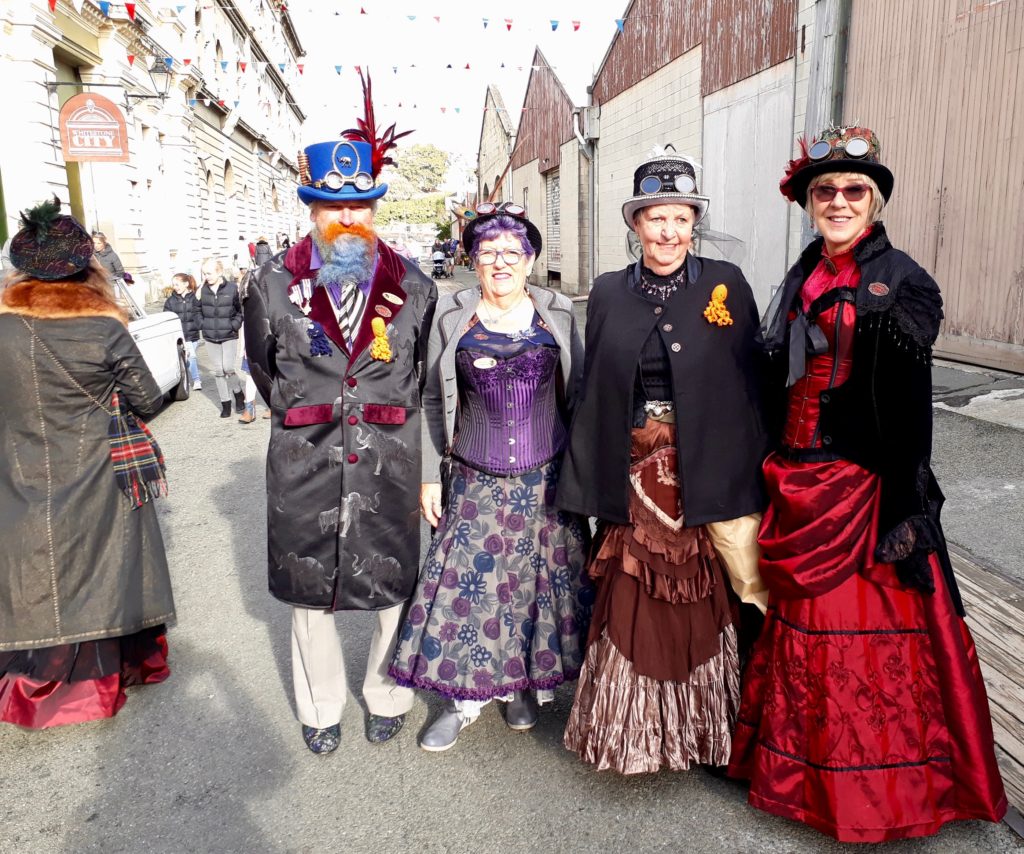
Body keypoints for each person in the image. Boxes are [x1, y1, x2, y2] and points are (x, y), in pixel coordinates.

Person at [727, 125, 1007, 841]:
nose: (840, 201)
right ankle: (803, 777)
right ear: (809, 202)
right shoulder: (804, 270)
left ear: (874, 202)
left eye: (854, 191)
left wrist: (904, 506)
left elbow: (910, 410)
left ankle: (884, 795)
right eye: (826, 191)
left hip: (860, 481)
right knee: (802, 630)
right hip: (795, 471)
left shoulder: (903, 280)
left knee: (866, 634)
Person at [557, 147, 769, 774]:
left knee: (711, 591)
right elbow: (595, 383)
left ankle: (706, 728)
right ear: (635, 224)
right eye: (655, 218)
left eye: (680, 218)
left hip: (705, 468)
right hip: (632, 472)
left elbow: (753, 376)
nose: (668, 232)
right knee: (634, 591)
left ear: (693, 222)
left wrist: (759, 464)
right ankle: (632, 731)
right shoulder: (608, 291)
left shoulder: (725, 282)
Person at [243, 75, 437, 755]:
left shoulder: (413, 283)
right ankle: (321, 709)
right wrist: (311, 415)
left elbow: (421, 376)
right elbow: (265, 369)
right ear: (313, 208)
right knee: (309, 595)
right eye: (333, 207)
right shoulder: (272, 281)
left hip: (388, 458)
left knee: (391, 588)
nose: (347, 219)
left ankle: (387, 693)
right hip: (305, 460)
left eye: (360, 207)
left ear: (375, 209)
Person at [389, 202, 592, 752]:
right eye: (487, 253)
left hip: (544, 477)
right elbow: (428, 397)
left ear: (529, 260)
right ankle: (465, 701)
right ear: (473, 262)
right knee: (470, 591)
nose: (500, 262)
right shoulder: (454, 317)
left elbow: (581, 398)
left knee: (533, 589)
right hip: (474, 477)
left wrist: (586, 474)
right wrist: (430, 476)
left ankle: (522, 686)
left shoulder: (561, 314)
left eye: (511, 253)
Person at [0, 197, 175, 728]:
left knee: (31, 569)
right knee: (102, 570)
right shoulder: (104, 329)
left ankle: (28, 681)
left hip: (20, 468)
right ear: (86, 268)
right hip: (97, 470)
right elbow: (147, 400)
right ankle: (92, 683)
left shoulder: (3, 328)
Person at [199, 257, 244, 418]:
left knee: (228, 368)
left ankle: (238, 394)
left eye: (209, 273)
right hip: (210, 336)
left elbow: (240, 310)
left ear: (219, 272)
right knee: (218, 371)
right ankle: (225, 403)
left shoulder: (232, 288)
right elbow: (196, 310)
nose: (206, 277)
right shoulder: (202, 290)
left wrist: (235, 324)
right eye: (204, 273)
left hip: (229, 335)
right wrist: (202, 324)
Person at [164, 272, 202, 390]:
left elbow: (201, 312)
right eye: (174, 285)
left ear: (186, 284)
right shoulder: (170, 301)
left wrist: (200, 324)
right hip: (180, 335)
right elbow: (166, 317)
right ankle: (196, 380)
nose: (175, 287)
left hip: (193, 334)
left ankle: (185, 375)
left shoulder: (195, 297)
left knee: (188, 357)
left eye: (177, 284)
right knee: (191, 356)